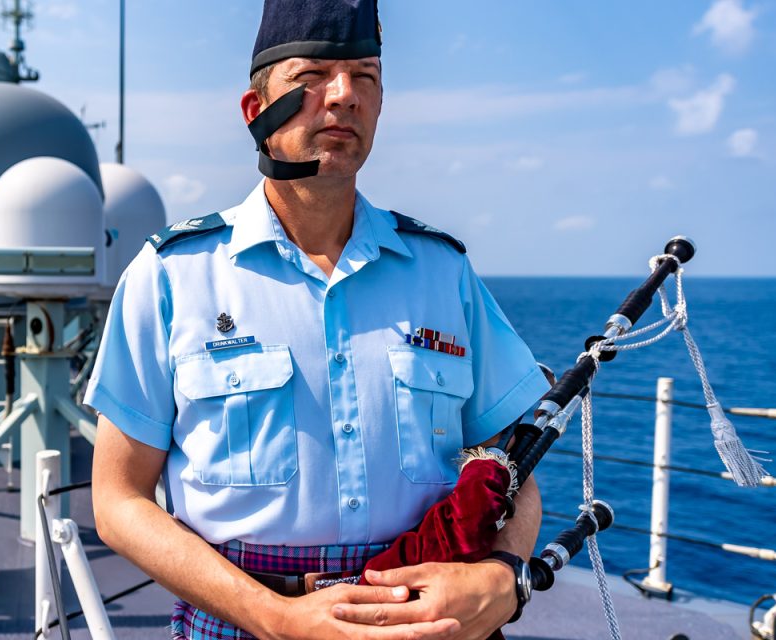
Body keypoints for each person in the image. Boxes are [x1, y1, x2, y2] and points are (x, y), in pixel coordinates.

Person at [85, 1, 552, 638]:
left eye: (365, 76)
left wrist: (505, 572)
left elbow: (508, 462)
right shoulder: (172, 276)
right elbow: (117, 501)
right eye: (311, 76)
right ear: (256, 113)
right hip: (240, 622)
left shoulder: (443, 274)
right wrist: (274, 618)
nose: (343, 97)